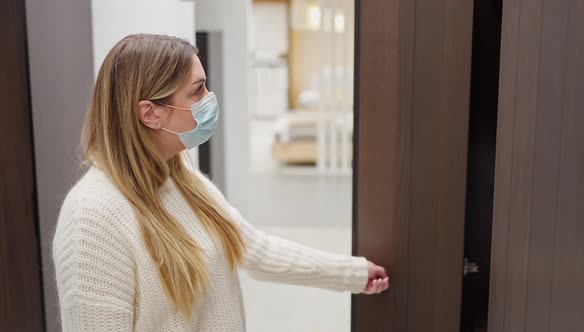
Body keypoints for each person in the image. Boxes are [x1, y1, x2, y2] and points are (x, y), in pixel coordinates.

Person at [52, 34, 389, 332]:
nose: (210, 99)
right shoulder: (91, 219)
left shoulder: (180, 178)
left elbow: (252, 248)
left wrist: (353, 273)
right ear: (151, 114)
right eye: (197, 91)